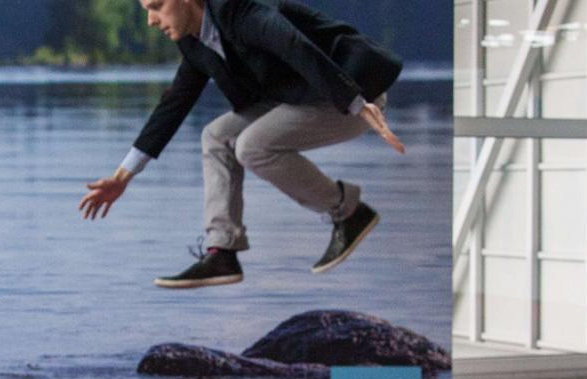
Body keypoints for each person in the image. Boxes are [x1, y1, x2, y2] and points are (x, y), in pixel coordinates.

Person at [79, 0, 405, 288]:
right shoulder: (196, 43)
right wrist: (122, 177)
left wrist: (356, 103)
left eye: (156, 6)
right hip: (297, 97)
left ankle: (348, 210)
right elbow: (173, 105)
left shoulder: (242, 11)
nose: (151, 20)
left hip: (349, 94)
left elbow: (296, 46)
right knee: (216, 137)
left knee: (251, 146)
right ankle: (223, 251)